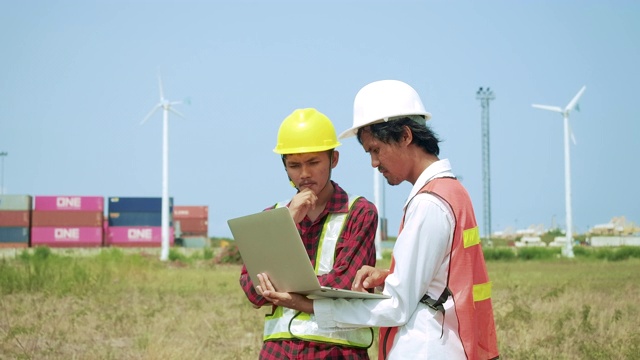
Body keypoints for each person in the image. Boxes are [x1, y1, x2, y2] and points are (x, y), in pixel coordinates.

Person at [257, 80, 500, 360]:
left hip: (427, 347)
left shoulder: (428, 203)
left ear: (405, 136)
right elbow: (440, 283)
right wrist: (390, 279)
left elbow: (396, 306)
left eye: (376, 149)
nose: (374, 163)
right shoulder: (450, 191)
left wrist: (308, 304)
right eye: (294, 165)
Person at [239, 107, 379, 359]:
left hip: (338, 352)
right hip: (279, 352)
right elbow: (252, 290)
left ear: (333, 159)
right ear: (284, 166)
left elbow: (345, 282)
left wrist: (286, 294)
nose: (304, 174)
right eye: (294, 165)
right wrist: (287, 221)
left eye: (314, 162)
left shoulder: (360, 212)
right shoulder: (273, 214)